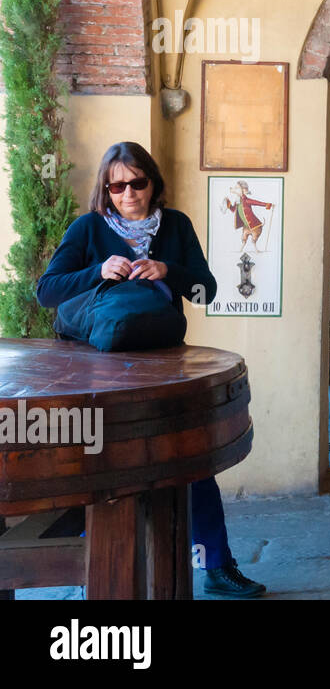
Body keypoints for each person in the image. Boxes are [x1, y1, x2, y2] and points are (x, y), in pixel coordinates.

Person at [35, 141, 267, 597]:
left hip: (164, 361)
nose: (128, 193)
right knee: (100, 463)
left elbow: (206, 293)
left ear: (153, 183)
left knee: (191, 455)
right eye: (116, 185)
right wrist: (98, 271)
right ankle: (95, 565)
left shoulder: (176, 226)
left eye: (137, 182)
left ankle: (217, 565)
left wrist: (167, 269)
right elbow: (46, 292)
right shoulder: (87, 229)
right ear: (105, 189)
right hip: (99, 366)